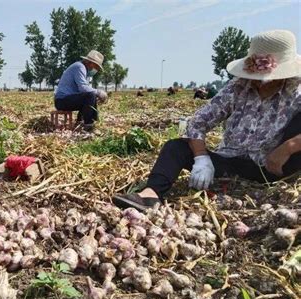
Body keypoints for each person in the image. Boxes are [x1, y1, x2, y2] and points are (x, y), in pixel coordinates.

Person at [113, 29, 301, 211]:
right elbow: (198, 122)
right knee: (175, 147)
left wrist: (288, 147)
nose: (259, 82)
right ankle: (150, 194)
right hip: (229, 161)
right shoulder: (238, 87)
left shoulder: (296, 91)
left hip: (268, 167)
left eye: (267, 78)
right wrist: (202, 158)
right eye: (255, 77)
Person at [54, 50, 107, 132]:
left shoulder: (83, 69)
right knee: (90, 95)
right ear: (90, 62)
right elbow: (84, 88)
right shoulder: (80, 67)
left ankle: (81, 121)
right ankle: (88, 125)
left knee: (90, 96)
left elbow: (83, 91)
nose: (96, 69)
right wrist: (99, 92)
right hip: (62, 101)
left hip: (65, 99)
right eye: (96, 66)